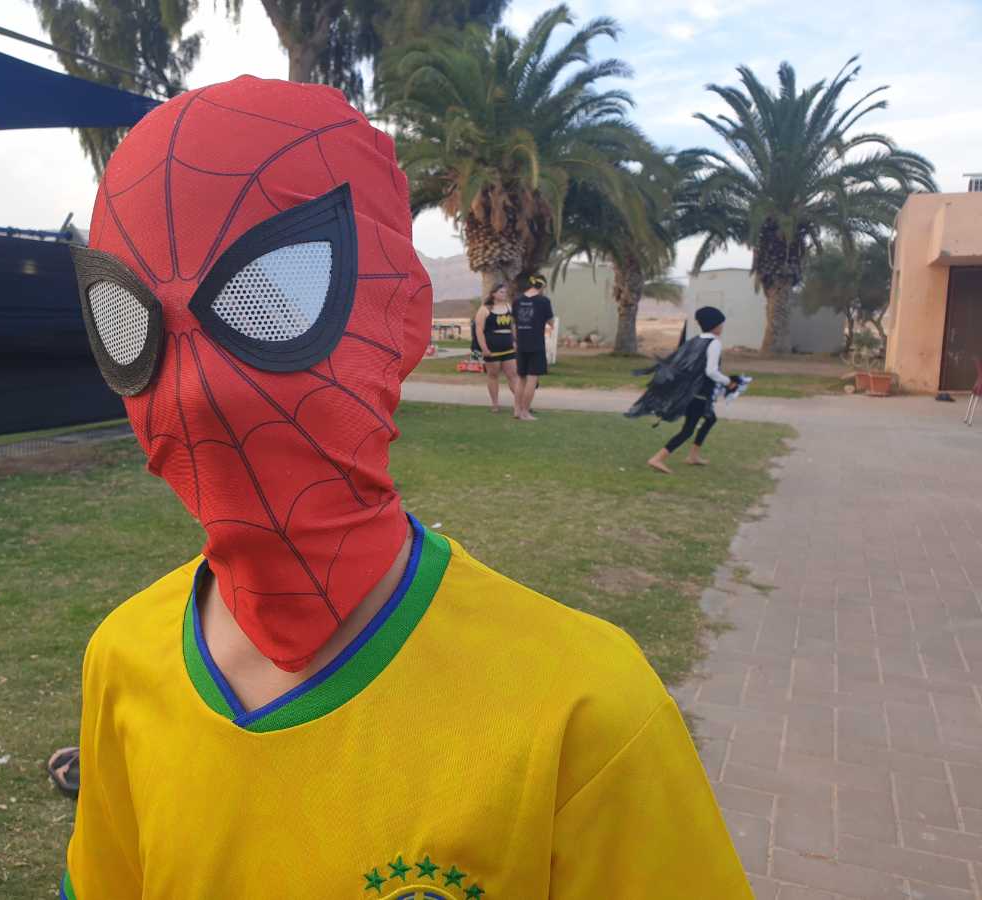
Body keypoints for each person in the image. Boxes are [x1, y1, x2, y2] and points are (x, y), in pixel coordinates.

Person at [59, 76, 752, 899]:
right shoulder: (122, 659)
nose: (197, 392)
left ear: (398, 310)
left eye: (268, 302)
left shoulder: (585, 715)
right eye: (130, 324)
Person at [633, 306, 741, 475]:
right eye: (720, 323)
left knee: (710, 419)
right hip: (699, 393)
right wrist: (728, 382)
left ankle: (693, 456)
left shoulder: (695, 340)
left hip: (691, 392)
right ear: (714, 324)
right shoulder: (714, 343)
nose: (722, 326)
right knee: (688, 430)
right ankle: (657, 458)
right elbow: (711, 371)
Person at [512, 272, 554, 420]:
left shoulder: (517, 301)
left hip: (521, 344)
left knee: (521, 378)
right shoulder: (544, 301)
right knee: (532, 379)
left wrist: (516, 341)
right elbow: (551, 323)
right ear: (542, 286)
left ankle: (517, 410)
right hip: (536, 344)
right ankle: (525, 412)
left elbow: (514, 324)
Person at [473, 283, 519, 413]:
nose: (504, 294)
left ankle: (520, 402)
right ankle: (495, 404)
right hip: (492, 348)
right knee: (493, 375)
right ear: (493, 294)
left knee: (513, 375)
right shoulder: (485, 309)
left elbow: (512, 326)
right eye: (501, 292)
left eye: (505, 292)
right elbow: (479, 330)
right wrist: (484, 348)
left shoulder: (508, 307)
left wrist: (516, 341)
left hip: (508, 346)